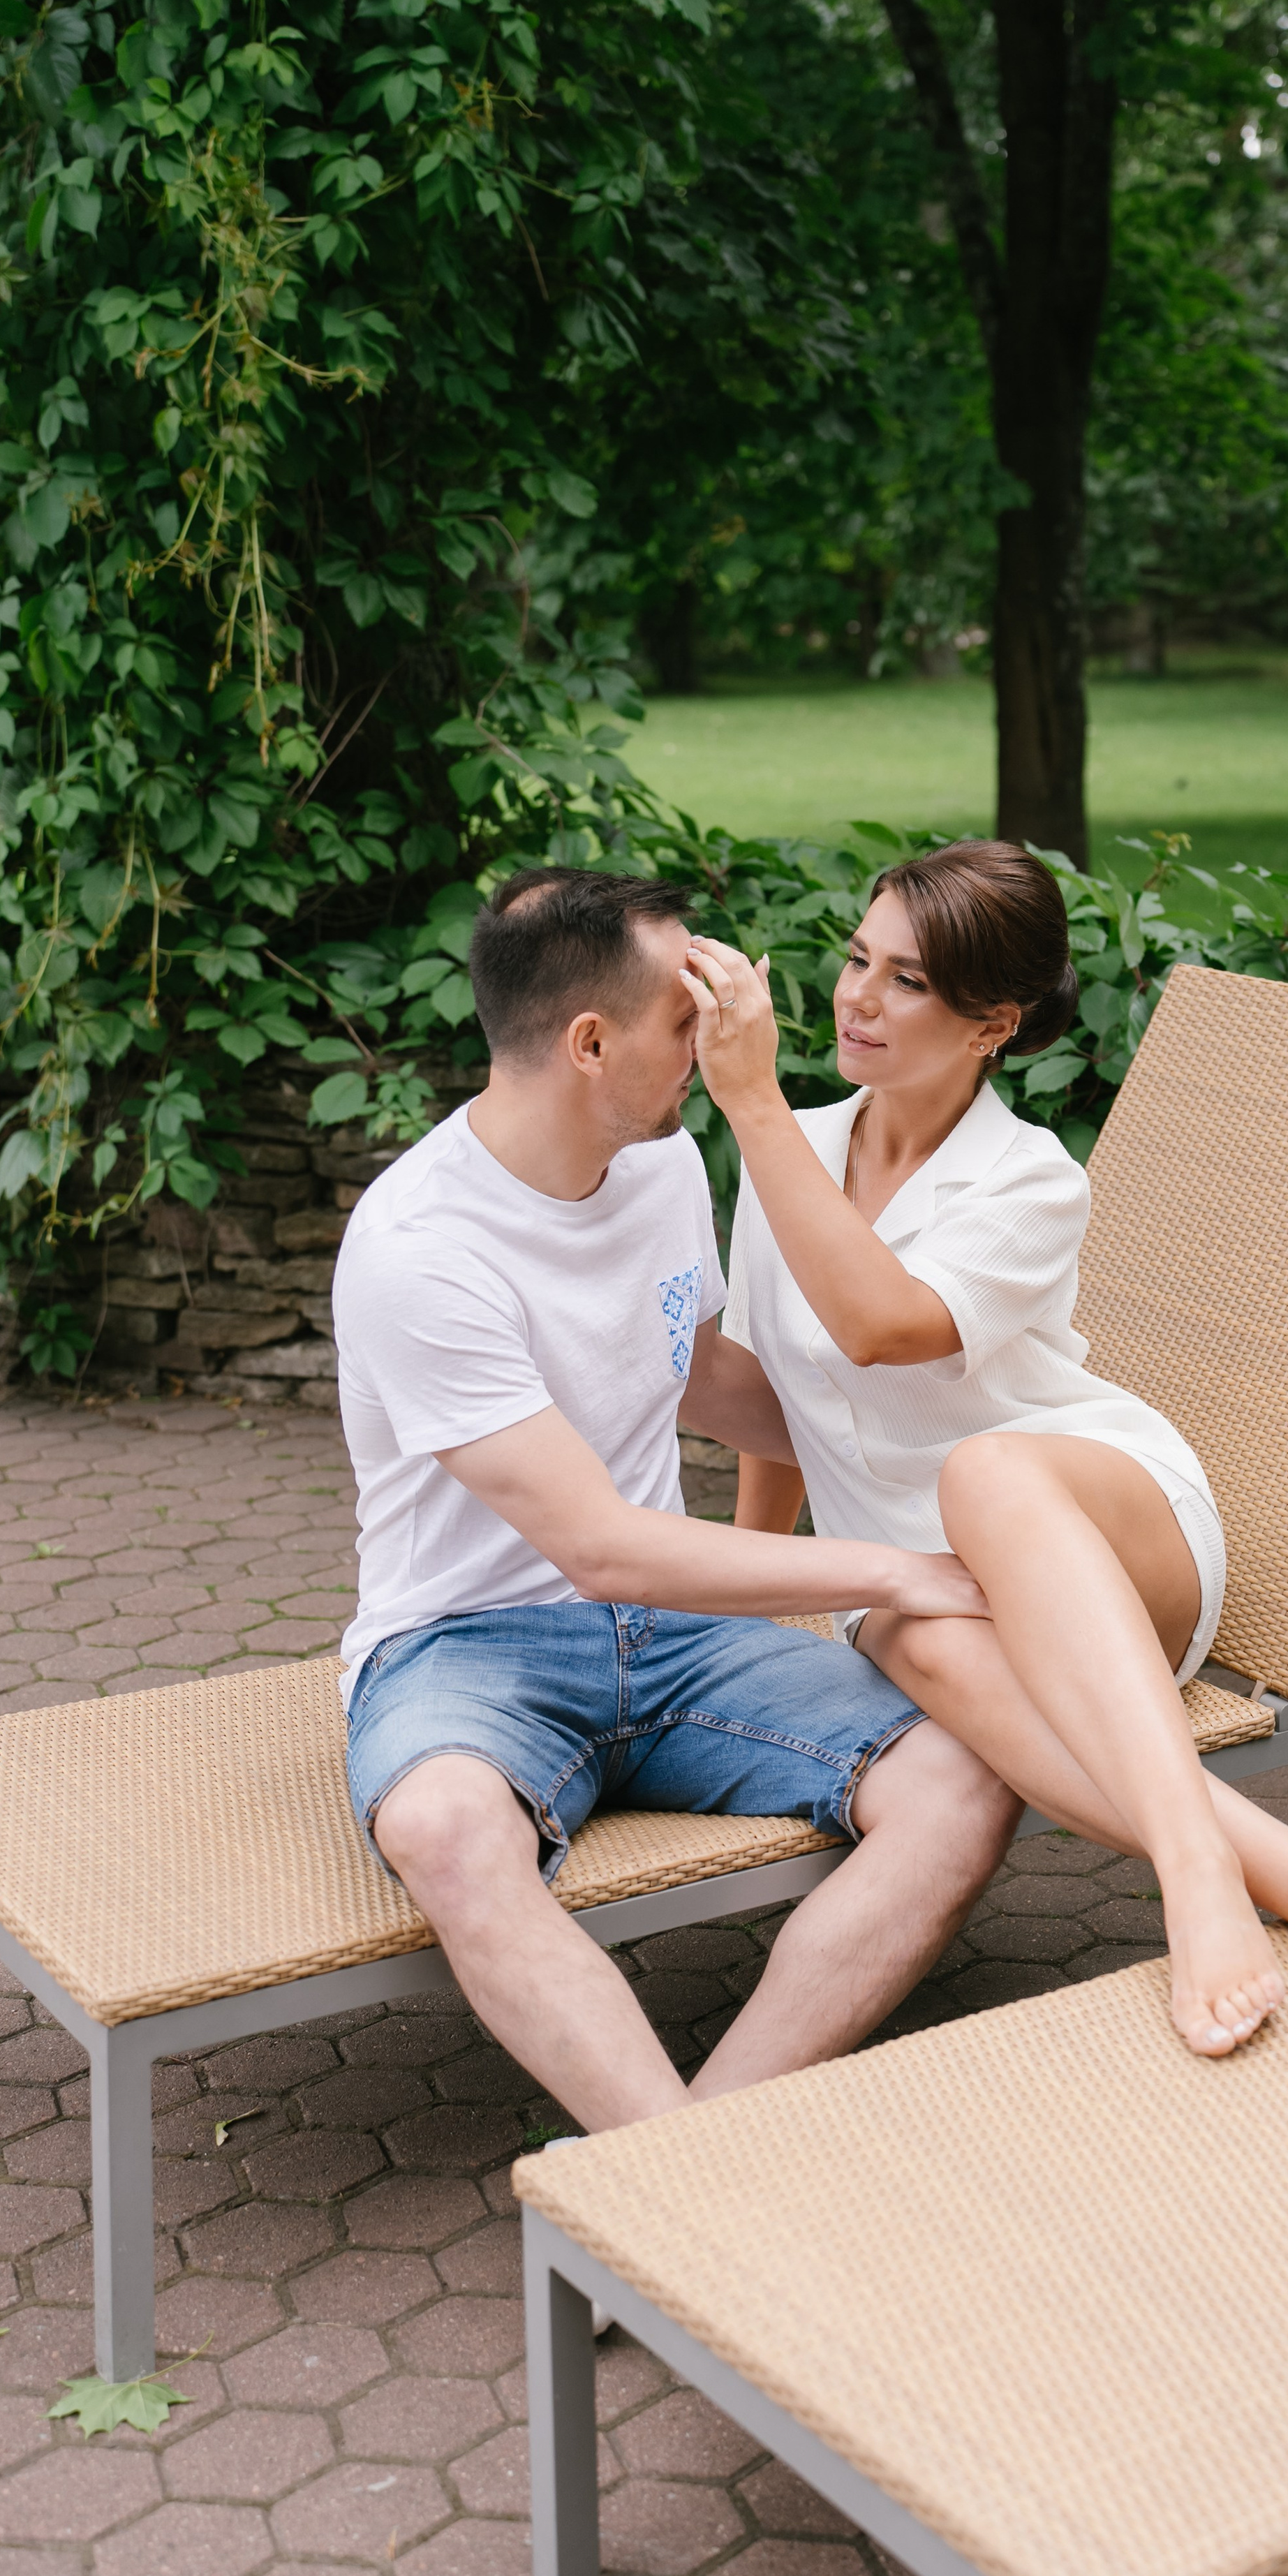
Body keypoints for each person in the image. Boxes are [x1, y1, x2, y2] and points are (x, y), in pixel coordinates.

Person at [682, 839, 1288, 2059]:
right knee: (893, 1614)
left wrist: (750, 1100)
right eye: (858, 958)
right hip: (918, 1584)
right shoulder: (789, 1152)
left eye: (909, 981)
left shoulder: (1029, 1179)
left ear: (994, 1024)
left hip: (1104, 1532)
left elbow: (875, 1328)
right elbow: (788, 1401)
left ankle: (1195, 1877)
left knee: (984, 1470)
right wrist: (745, 1590)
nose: (858, 997)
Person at [332, 864, 1021, 2140]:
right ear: (590, 1045)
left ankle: (692, 2149)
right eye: (685, 1012)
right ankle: (675, 2185)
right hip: (465, 1648)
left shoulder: (655, 1170)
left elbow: (704, 1374)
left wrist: (989, 1467)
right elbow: (599, 1545)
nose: (720, 1034)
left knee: (972, 1771)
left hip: (675, 1647)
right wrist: (893, 1567)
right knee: (439, 1824)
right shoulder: (419, 1249)